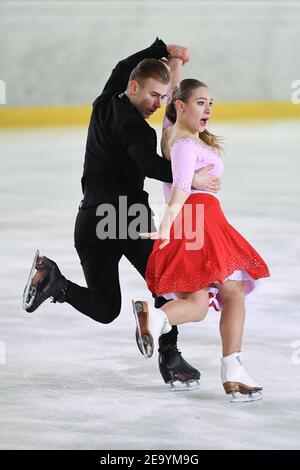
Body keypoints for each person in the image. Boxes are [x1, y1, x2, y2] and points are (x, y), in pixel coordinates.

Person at [22, 38, 221, 390]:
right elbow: (148, 164)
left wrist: (161, 48)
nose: (157, 105)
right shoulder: (136, 130)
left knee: (105, 308)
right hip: (124, 217)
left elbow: (120, 66)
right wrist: (192, 177)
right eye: (153, 96)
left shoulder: (106, 101)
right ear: (134, 87)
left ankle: (55, 282)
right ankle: (171, 358)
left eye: (163, 98)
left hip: (90, 220)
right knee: (167, 287)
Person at [132, 58, 270, 402]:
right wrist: (164, 227)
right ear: (181, 106)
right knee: (233, 291)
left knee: (196, 302)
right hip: (201, 220)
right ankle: (232, 369)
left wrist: (175, 64)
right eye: (200, 102)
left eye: (211, 103)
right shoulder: (183, 144)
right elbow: (179, 185)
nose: (208, 109)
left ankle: (157, 319)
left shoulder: (173, 130)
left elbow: (171, 101)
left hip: (194, 222)